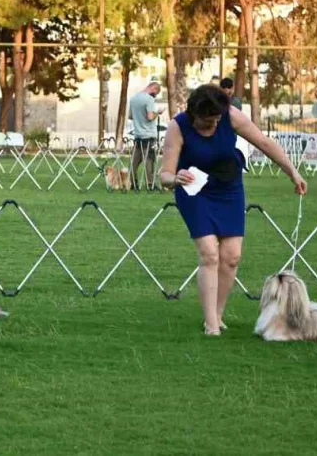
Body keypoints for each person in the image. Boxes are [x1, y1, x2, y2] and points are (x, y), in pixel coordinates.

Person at [160, 85, 306, 337]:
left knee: (231, 256)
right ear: (195, 113)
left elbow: (263, 142)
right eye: (208, 120)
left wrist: (292, 171)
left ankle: (218, 313)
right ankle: (211, 324)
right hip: (195, 192)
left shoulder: (231, 116)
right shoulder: (178, 126)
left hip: (228, 189)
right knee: (209, 254)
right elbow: (164, 175)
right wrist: (175, 178)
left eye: (218, 119)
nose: (214, 124)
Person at [128, 81, 164, 191]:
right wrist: (158, 112)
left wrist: (140, 118)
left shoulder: (133, 99)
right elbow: (150, 117)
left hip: (138, 135)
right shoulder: (149, 99)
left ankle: (133, 183)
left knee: (134, 161)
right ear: (153, 89)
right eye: (156, 93)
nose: (155, 95)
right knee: (149, 161)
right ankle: (150, 185)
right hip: (148, 135)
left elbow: (130, 116)